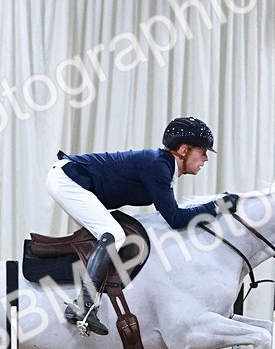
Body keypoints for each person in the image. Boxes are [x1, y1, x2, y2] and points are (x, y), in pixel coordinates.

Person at [46, 116, 237, 336]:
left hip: (73, 180)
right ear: (184, 150)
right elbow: (175, 218)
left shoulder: (164, 166)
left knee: (111, 235)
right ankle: (84, 305)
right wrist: (218, 206)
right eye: (202, 152)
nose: (206, 158)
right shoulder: (158, 166)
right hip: (68, 180)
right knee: (114, 235)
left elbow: (169, 216)